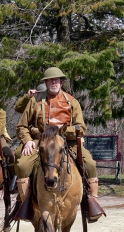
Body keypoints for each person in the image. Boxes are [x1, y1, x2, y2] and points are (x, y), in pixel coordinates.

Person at [15, 67, 105, 222]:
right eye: (51, 80)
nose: (54, 82)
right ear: (46, 82)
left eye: (57, 80)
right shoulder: (34, 101)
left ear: (61, 82)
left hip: (66, 141)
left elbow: (81, 127)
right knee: (22, 164)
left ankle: (92, 201)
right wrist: (27, 140)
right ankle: (26, 203)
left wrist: (62, 130)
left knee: (89, 163)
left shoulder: (72, 102)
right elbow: (21, 126)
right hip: (40, 140)